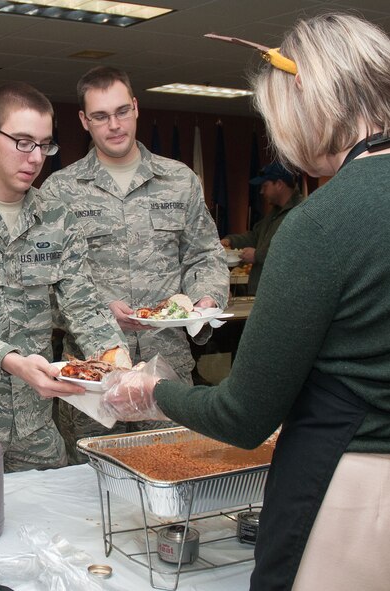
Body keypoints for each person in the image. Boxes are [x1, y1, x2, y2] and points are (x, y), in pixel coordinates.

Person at [101, 13, 390, 591]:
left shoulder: (320, 225)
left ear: (309, 106)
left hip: (352, 491)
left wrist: (153, 392)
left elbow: (244, 416)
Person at [0, 81, 128, 472]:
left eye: (45, 145)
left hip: (34, 424)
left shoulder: (58, 218)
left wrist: (117, 360)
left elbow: (83, 303)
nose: (35, 158)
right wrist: (13, 361)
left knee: (56, 525)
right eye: (23, 142)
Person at [42, 66, 230, 463]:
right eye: (100, 116)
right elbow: (45, 282)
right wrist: (99, 312)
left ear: (136, 108)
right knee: (90, 482)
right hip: (93, 375)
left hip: (167, 370)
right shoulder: (60, 190)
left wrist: (206, 298)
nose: (114, 125)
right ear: (83, 121)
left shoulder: (179, 180)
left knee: (171, 470)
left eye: (122, 111)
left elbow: (205, 254)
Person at [220, 161, 303, 294]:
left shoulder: (301, 212)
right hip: (264, 292)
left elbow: (295, 252)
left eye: (265, 186)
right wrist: (231, 241)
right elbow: (255, 236)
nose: (261, 191)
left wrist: (257, 255)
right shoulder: (274, 213)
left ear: (279, 184)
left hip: (283, 294)